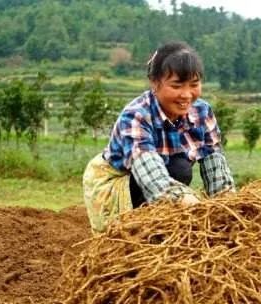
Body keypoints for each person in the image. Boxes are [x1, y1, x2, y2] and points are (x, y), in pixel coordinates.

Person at [83, 41, 235, 233]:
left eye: (194, 85)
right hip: (120, 180)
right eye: (177, 85)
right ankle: (146, 231)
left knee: (179, 169)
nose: (187, 95)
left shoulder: (202, 112)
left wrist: (228, 209)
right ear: (154, 83)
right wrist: (197, 209)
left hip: (166, 174)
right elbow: (152, 178)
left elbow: (216, 169)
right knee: (178, 171)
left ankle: (162, 225)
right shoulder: (136, 115)